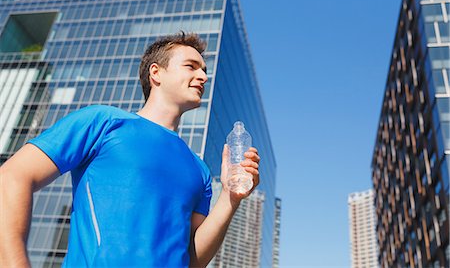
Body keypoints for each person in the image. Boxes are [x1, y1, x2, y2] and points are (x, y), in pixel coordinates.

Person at [0, 32, 260, 268]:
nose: (203, 76)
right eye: (191, 66)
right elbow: (13, 176)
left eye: (204, 70)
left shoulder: (199, 169)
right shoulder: (102, 121)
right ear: (156, 73)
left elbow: (192, 260)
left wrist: (229, 197)